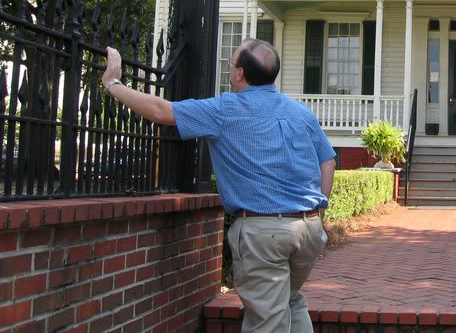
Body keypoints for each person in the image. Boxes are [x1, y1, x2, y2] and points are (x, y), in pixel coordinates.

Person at [102, 39, 336, 333]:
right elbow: (327, 160)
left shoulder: (225, 110)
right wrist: (319, 210)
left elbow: (161, 111)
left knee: (267, 322)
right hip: (310, 229)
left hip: (265, 233)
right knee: (290, 300)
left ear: (239, 74)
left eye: (231, 63)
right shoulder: (300, 112)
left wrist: (113, 84)